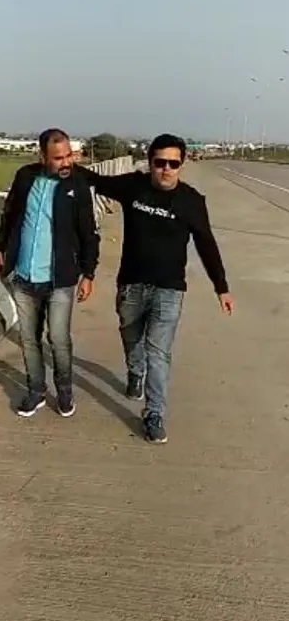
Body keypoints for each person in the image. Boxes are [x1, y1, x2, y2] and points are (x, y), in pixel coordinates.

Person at [80, 133, 234, 444]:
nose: (166, 169)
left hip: (169, 289)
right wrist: (65, 163)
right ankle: (134, 372)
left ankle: (154, 414)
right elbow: (95, 180)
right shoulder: (133, 186)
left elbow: (206, 244)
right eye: (160, 162)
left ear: (182, 164)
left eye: (173, 163)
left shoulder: (191, 201)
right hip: (131, 285)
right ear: (150, 162)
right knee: (130, 337)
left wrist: (222, 287)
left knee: (158, 353)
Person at [0, 128, 99, 418]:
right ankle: (35, 391)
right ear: (42, 157)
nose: (66, 163)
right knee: (29, 340)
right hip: (24, 276)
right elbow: (10, 214)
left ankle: (64, 392)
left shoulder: (77, 185)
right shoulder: (26, 177)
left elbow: (89, 233)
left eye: (69, 156)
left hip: (60, 279)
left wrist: (89, 273)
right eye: (58, 158)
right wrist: (0, 249)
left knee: (59, 340)